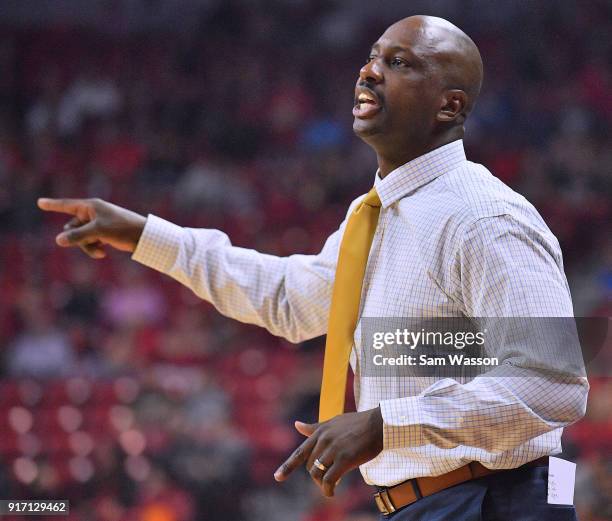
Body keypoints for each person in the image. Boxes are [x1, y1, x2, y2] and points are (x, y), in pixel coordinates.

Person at [38, 15, 588, 521]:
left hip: (500, 496)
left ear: (449, 106)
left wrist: (383, 424)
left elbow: (553, 385)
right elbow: (285, 299)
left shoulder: (484, 216)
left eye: (400, 63)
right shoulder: (372, 214)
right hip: (436, 500)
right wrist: (142, 234)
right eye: (373, 57)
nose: (370, 71)